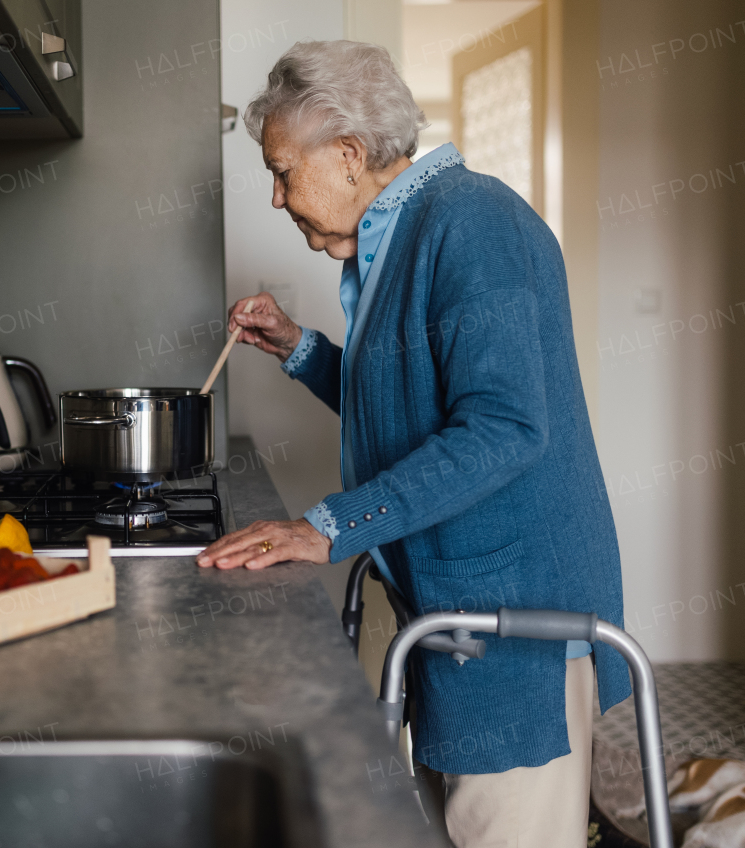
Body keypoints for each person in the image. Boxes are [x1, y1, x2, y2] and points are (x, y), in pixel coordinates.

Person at [195, 39, 630, 848]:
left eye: (283, 170)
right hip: (456, 610)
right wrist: (300, 348)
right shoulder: (401, 237)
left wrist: (326, 525)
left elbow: (503, 429)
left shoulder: (472, 222)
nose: (277, 196)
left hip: (512, 624)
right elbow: (408, 406)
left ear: (351, 154)